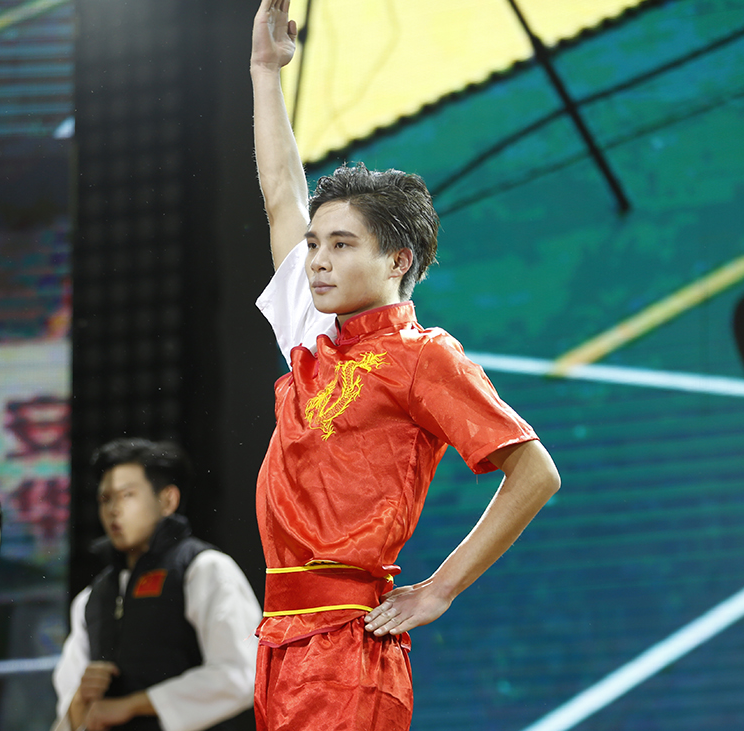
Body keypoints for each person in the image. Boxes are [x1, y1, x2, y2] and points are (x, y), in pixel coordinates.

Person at [249, 1, 562, 728]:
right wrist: (265, 72)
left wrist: (440, 588)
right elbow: (280, 195)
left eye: (341, 245)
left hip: (348, 650)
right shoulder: (314, 332)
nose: (317, 260)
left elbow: (535, 471)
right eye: (316, 244)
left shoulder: (424, 356)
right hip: (280, 642)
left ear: (397, 259)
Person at [51, 439, 259, 731]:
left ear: (167, 500)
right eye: (105, 499)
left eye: (127, 495)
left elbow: (241, 673)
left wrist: (133, 704)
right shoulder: (91, 597)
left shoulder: (203, 568)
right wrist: (79, 702)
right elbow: (68, 711)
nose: (113, 510)